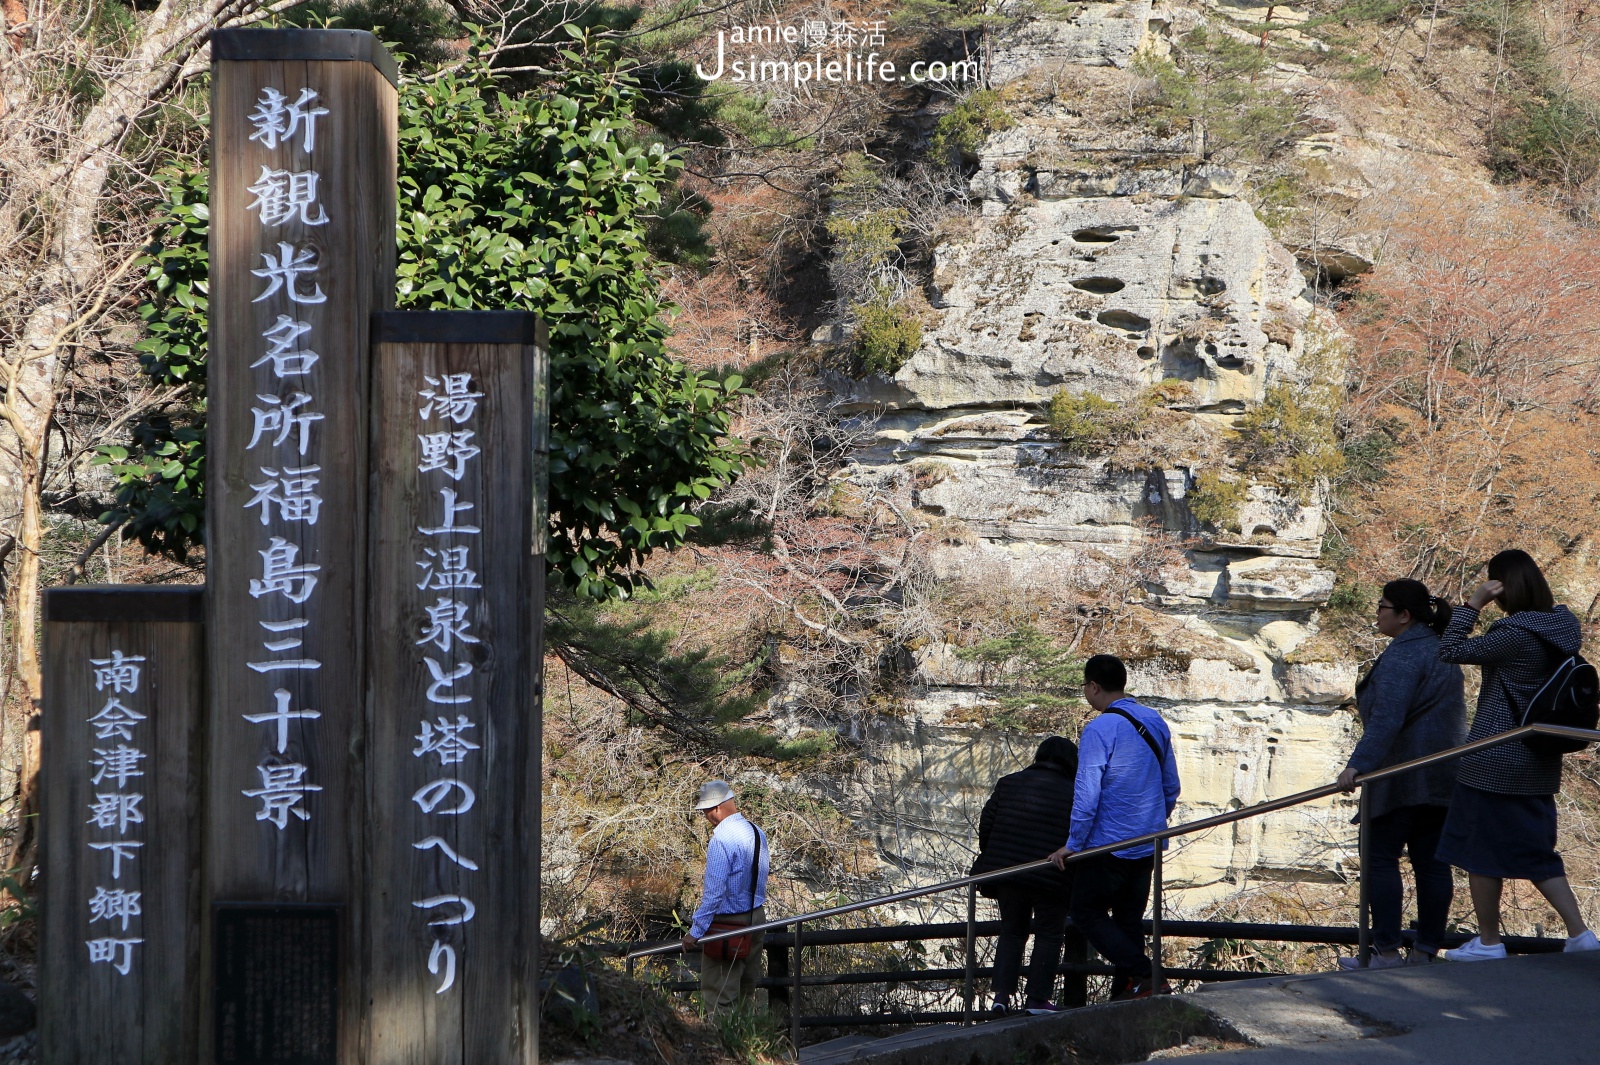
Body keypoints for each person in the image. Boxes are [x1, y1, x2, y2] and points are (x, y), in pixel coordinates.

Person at [1434, 549, 1600, 960]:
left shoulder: (1515, 635)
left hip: (1494, 758)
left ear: (1503, 586)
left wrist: (1473, 604)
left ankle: (1489, 942)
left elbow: (1450, 650)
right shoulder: (1563, 627)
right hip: (1539, 761)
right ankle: (1580, 935)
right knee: (1536, 851)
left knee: (1478, 849)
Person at [1334, 579, 1466, 969]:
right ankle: (1425, 951)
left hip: (1401, 773)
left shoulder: (1404, 655)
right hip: (1443, 773)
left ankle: (1387, 950)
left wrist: (1358, 764)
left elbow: (1387, 719)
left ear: (1404, 615)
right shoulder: (1443, 651)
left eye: (1382, 606)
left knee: (1378, 857)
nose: (1377, 613)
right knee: (1432, 863)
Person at [1049, 654, 1180, 1001]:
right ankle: (1128, 993)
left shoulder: (1099, 729)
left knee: (1086, 912)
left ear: (1093, 686)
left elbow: (1088, 790)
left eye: (1085, 687)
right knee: (1128, 921)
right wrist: (1153, 820)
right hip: (1149, 841)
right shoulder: (1154, 720)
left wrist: (1074, 842)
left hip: (1107, 845)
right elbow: (1170, 786)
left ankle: (1145, 974)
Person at [970, 735, 1079, 1015]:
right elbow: (1081, 834)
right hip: (1052, 875)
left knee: (1012, 932)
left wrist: (1000, 858)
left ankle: (1001, 999)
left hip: (1009, 873)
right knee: (1049, 935)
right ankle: (1037, 1000)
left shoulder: (1009, 783)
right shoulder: (1076, 792)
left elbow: (987, 824)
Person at [682, 780, 771, 1013]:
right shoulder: (756, 831)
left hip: (727, 925)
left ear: (716, 808)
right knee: (745, 991)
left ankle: (721, 1047)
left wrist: (696, 931)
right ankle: (745, 1045)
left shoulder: (721, 839)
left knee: (719, 994)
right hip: (756, 917)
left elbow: (714, 893)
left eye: (705, 812)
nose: (705, 817)